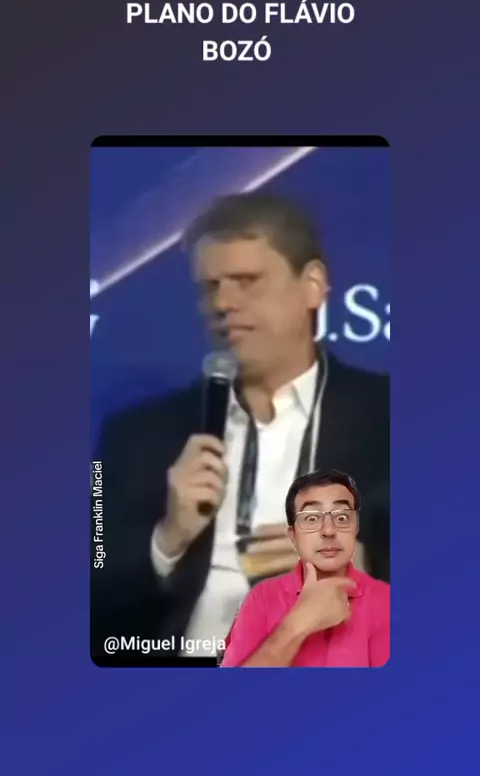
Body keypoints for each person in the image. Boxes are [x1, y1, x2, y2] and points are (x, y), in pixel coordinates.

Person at [91, 193, 389, 658]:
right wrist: (166, 541)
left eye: (247, 282)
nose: (223, 303)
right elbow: (94, 591)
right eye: (210, 288)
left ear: (312, 286)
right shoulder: (134, 435)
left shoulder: (393, 416)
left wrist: (362, 569)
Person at [221, 469, 390, 667]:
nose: (328, 530)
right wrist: (296, 628)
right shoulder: (260, 599)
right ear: (292, 535)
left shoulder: (385, 602)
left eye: (342, 518)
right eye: (312, 519)